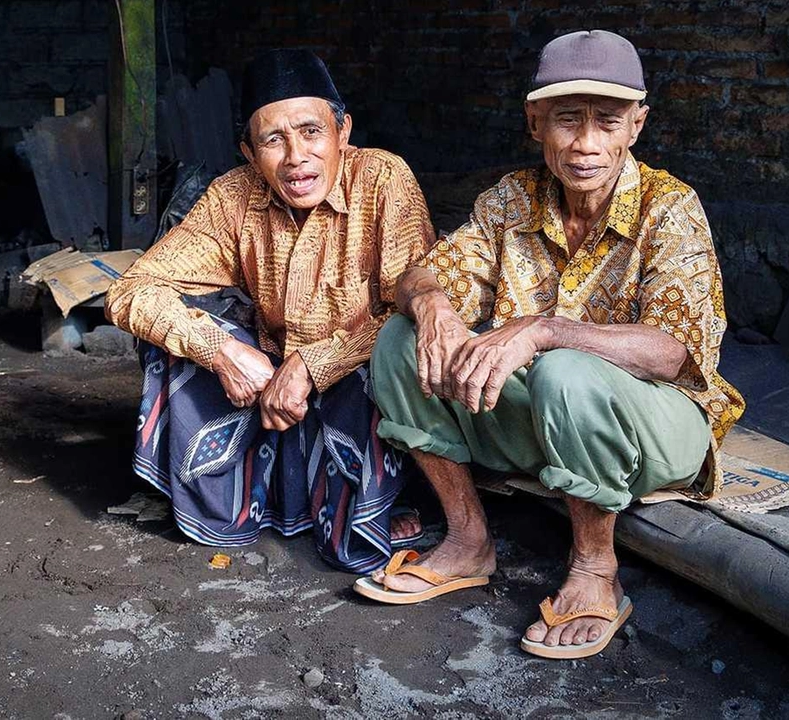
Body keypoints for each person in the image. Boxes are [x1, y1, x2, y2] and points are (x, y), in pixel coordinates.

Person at [355, 30, 746, 658]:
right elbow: (422, 273)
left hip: (655, 427)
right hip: (544, 421)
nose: (587, 144)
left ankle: (595, 571)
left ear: (636, 126)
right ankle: (467, 540)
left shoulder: (670, 208)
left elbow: (674, 354)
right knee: (400, 339)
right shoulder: (511, 198)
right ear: (536, 123)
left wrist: (545, 329)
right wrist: (432, 309)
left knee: (564, 368)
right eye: (568, 120)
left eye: (607, 121)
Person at [105, 49, 436, 573]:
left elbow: (415, 306)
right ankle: (239, 499)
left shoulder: (383, 180)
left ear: (342, 131)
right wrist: (221, 351)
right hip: (268, 385)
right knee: (173, 330)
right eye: (272, 140)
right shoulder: (233, 196)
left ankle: (385, 494)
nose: (296, 158)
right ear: (248, 151)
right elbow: (130, 291)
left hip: (356, 379)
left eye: (311, 132)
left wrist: (312, 365)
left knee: (400, 350)